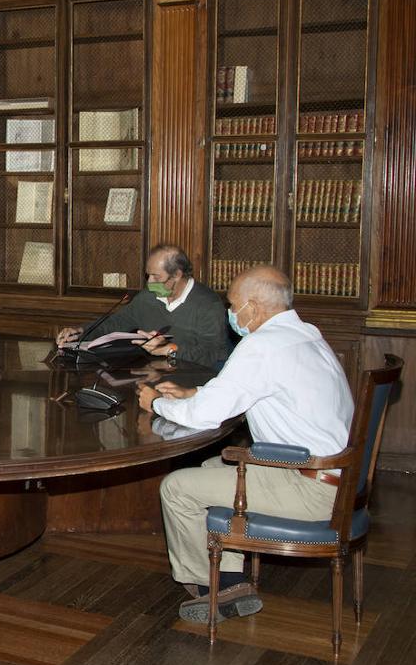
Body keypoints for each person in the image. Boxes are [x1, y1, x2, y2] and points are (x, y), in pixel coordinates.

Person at [137, 265, 353, 625]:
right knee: (209, 469)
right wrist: (195, 393)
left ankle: (212, 586)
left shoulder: (262, 345)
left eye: (233, 304)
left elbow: (206, 416)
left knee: (176, 488)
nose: (230, 313)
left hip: (307, 485)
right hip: (338, 476)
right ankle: (233, 578)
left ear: (253, 307)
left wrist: (156, 403)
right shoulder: (305, 335)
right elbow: (252, 390)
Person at [55, 244, 230, 367]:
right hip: (153, 373)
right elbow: (116, 323)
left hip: (194, 378)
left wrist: (170, 349)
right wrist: (81, 332)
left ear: (177, 275)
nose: (150, 283)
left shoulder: (208, 304)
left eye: (156, 277)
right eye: (148, 276)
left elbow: (212, 353)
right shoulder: (148, 296)